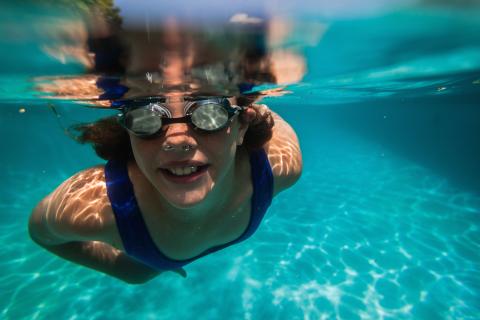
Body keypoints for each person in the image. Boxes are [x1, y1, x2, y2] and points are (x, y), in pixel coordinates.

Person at [28, 10, 303, 284]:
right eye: (146, 118)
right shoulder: (98, 208)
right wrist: (121, 268)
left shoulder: (281, 167)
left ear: (242, 126)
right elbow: (41, 233)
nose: (177, 140)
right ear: (128, 128)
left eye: (209, 114)